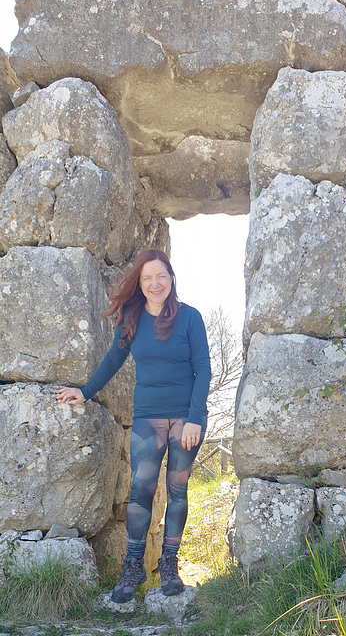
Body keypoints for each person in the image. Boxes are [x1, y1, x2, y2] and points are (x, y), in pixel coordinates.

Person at [55, 249, 211, 603]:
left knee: (177, 490)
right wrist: (86, 391)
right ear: (139, 284)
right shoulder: (132, 317)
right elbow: (114, 358)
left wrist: (195, 419)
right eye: (147, 278)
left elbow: (203, 368)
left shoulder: (190, 318)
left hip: (185, 419)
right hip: (148, 417)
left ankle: (170, 564)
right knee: (140, 489)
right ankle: (133, 566)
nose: (155, 284)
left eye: (161, 276)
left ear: (171, 279)